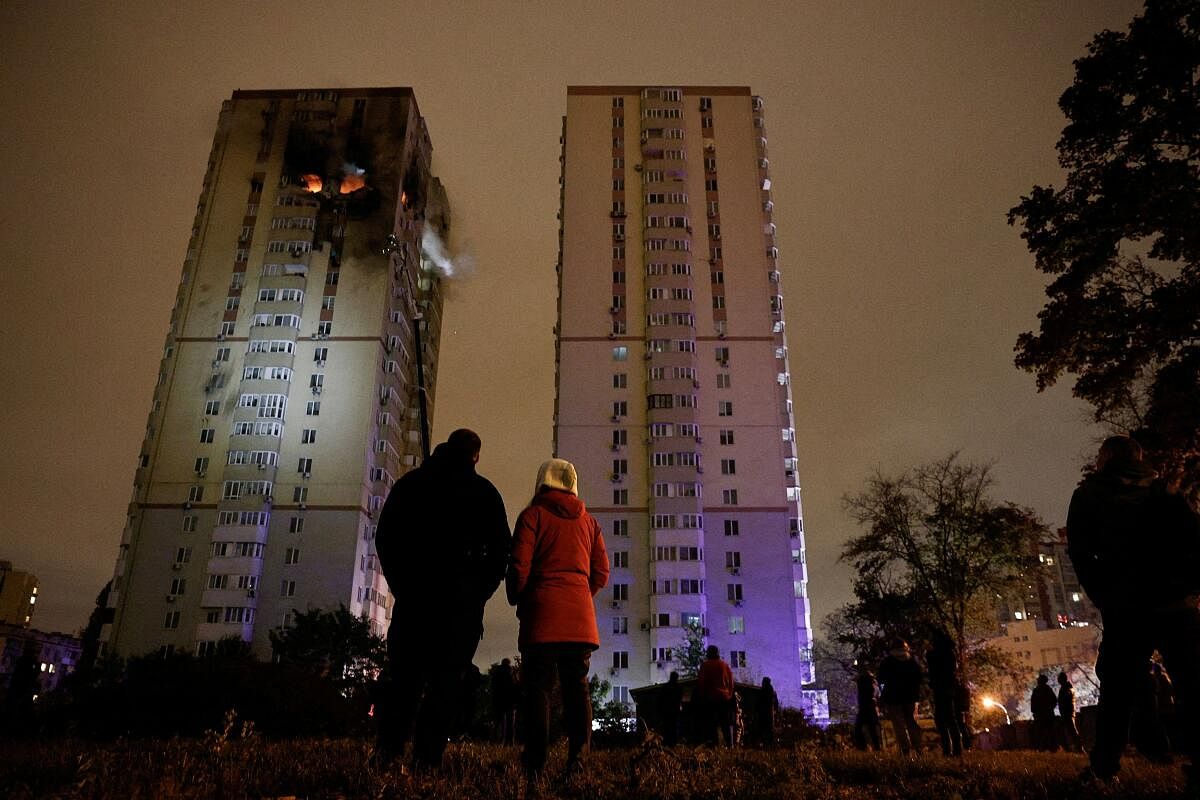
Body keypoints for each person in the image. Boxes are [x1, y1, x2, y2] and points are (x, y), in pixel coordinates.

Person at [373, 429, 511, 770]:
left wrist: (401, 584)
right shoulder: (484, 493)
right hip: (459, 608)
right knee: (445, 686)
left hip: (415, 601)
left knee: (405, 680)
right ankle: (427, 758)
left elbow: (386, 538)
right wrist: (478, 593)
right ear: (476, 456)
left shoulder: (412, 485)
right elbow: (500, 553)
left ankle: (389, 752)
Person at [1066, 435, 1200, 787]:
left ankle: (1105, 768)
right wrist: (1186, 587)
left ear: (1105, 459)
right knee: (1191, 682)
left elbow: (1080, 553)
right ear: (1139, 459)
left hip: (1126, 607)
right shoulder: (1165, 493)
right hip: (1175, 605)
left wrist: (1103, 594)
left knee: (1118, 689)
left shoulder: (1090, 496)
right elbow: (1194, 541)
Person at [506, 458, 608, 779]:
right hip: (579, 621)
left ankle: (535, 761)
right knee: (577, 688)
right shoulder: (589, 523)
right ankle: (578, 759)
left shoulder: (532, 516)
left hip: (543, 616)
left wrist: (521, 597)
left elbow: (519, 567)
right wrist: (579, 595)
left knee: (538, 689)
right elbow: (602, 572)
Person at [878, 638, 924, 754]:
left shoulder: (887, 662)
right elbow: (919, 678)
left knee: (899, 725)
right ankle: (918, 748)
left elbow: (881, 680)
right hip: (910, 697)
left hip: (893, 698)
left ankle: (905, 749)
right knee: (912, 723)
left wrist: (884, 694)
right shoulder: (912, 661)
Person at [926, 629, 964, 756]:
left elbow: (932, 671)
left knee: (941, 719)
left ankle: (948, 749)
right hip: (949, 687)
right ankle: (957, 749)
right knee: (951, 718)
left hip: (940, 687)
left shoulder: (934, 654)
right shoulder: (950, 652)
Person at [696, 645, 735, 746]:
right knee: (725, 723)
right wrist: (728, 695)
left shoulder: (705, 665)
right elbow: (731, 683)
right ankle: (729, 745)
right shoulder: (725, 665)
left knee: (711, 724)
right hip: (724, 698)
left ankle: (714, 744)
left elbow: (701, 683)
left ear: (709, 653)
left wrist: (702, 697)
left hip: (710, 699)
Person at [490, 658, 518, 744]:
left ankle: (497, 741)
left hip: (499, 701)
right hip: (509, 702)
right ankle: (509, 742)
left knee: (499, 723)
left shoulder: (497, 674)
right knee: (510, 724)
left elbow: (493, 687)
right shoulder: (511, 673)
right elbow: (515, 687)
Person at [854, 666, 883, 751]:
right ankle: (876, 747)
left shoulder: (863, 681)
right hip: (869, 706)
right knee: (872, 729)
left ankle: (863, 747)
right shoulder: (871, 682)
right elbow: (877, 694)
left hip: (865, 707)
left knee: (859, 728)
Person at [1030, 674, 1058, 751]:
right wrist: (1050, 708)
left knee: (1041, 732)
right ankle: (1052, 747)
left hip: (1041, 715)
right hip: (1047, 714)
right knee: (1049, 732)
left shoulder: (1037, 690)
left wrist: (1035, 712)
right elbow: (1054, 701)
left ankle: (1042, 747)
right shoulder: (1048, 690)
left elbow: (1033, 704)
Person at [1057, 671, 1083, 752]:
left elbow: (1065, 701)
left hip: (1067, 714)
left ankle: (1078, 748)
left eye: (1059, 678)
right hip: (1066, 713)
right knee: (1068, 731)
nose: (1058, 680)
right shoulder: (1066, 687)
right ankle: (1072, 748)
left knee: (1072, 731)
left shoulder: (1067, 688)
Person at [755, 676, 780, 747]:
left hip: (764, 713)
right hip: (769, 713)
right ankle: (769, 743)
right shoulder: (772, 692)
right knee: (769, 729)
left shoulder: (763, 691)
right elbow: (776, 703)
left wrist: (757, 710)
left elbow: (758, 702)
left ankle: (765, 743)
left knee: (763, 728)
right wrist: (775, 710)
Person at [660, 671, 683, 746]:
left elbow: (661, 699)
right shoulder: (678, 688)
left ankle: (667, 741)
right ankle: (673, 742)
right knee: (674, 727)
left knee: (667, 727)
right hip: (674, 710)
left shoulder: (665, 687)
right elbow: (679, 698)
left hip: (666, 711)